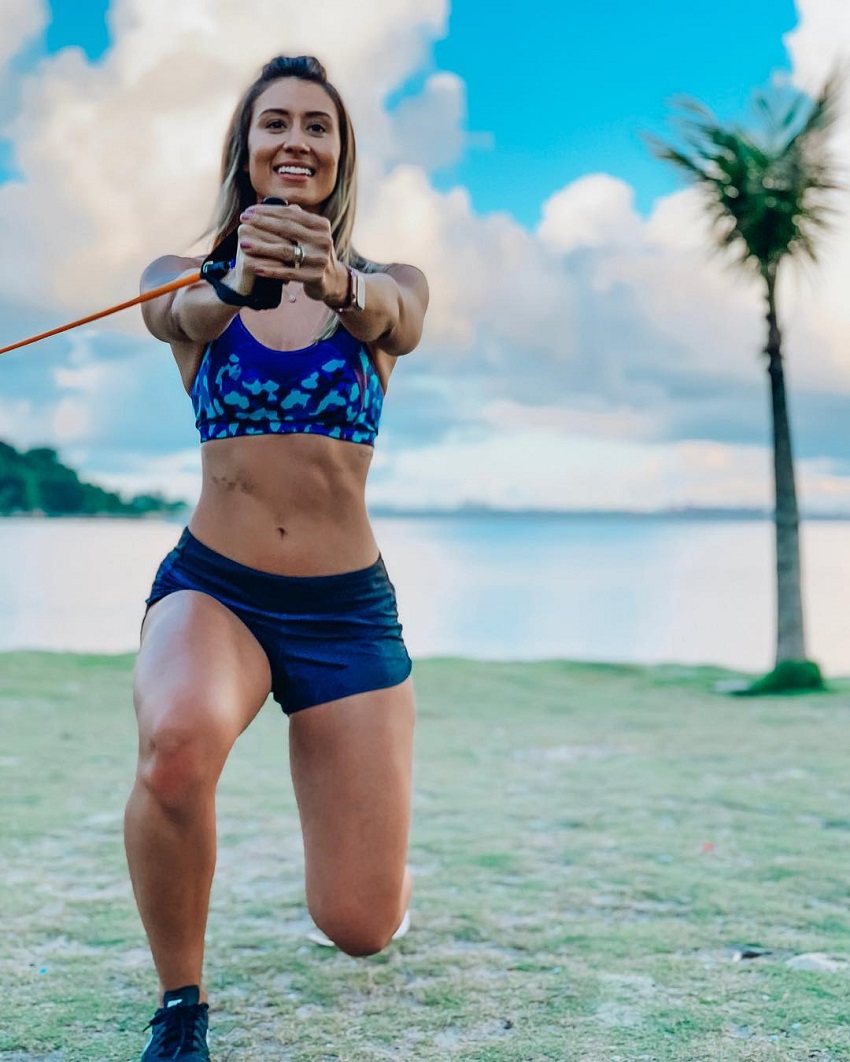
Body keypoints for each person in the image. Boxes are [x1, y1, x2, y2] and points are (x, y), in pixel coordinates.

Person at [126, 54, 428, 1061]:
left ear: (339, 157)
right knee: (176, 747)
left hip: (345, 612)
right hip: (218, 588)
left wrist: (332, 276)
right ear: (245, 149)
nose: (294, 140)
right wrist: (242, 279)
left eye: (317, 127)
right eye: (274, 124)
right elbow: (183, 316)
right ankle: (181, 1006)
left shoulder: (385, 286)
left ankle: (380, 876)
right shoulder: (182, 275)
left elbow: (397, 318)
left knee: (360, 924)